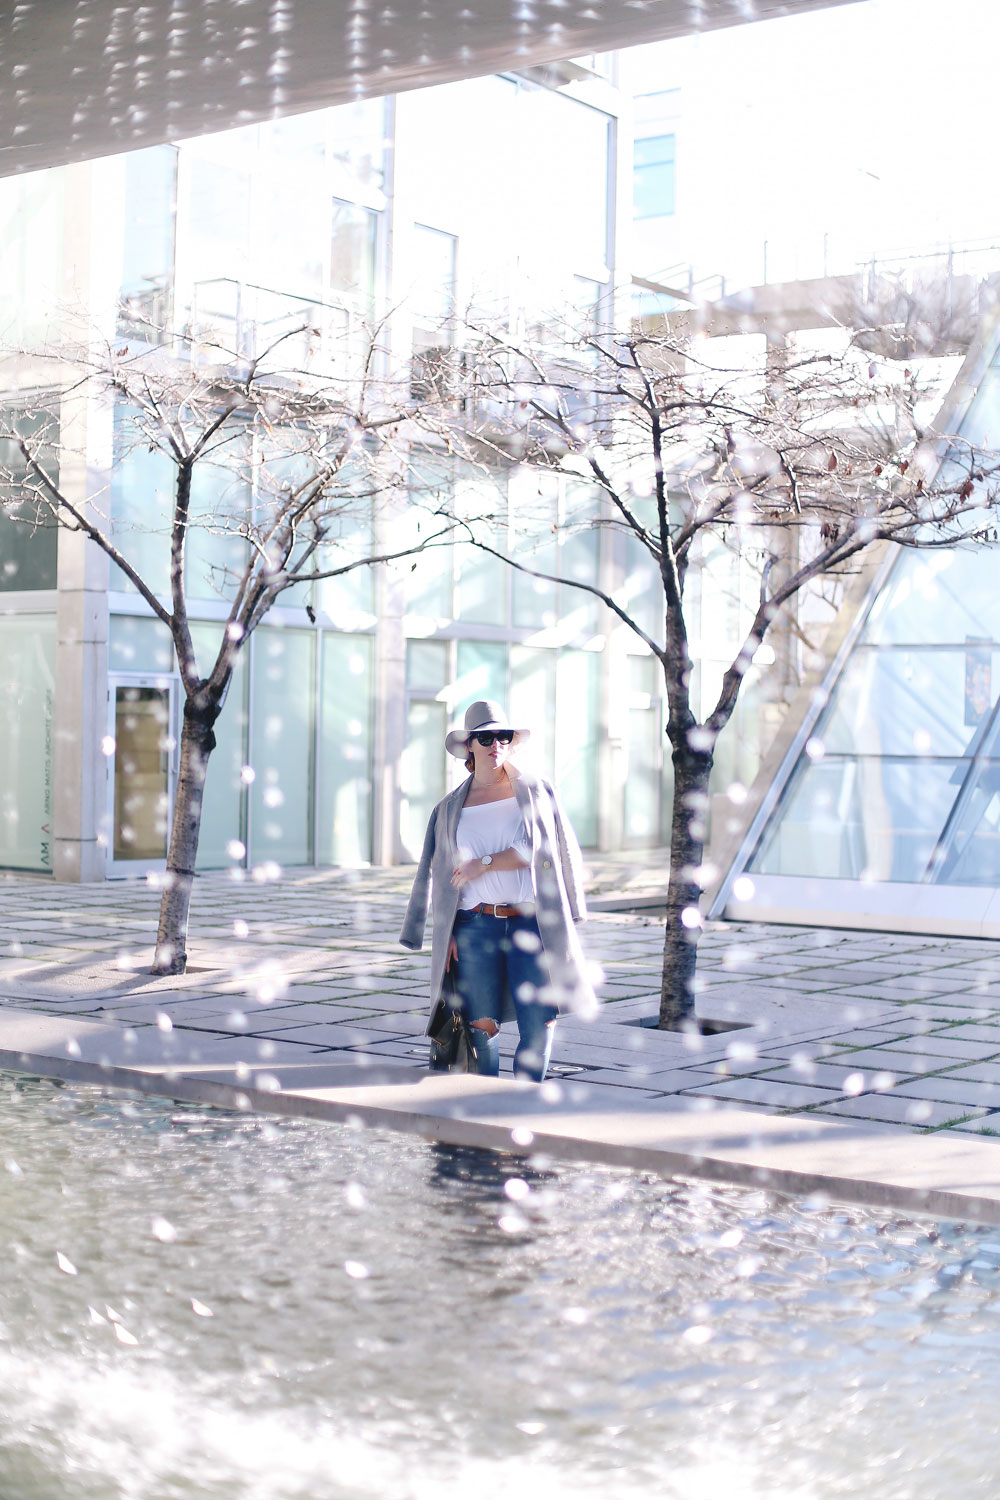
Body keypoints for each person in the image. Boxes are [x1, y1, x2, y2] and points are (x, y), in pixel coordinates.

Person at [399, 699, 596, 1081]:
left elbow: (535, 850)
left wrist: (482, 864)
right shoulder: (449, 808)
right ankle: (485, 1105)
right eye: (487, 737)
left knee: (539, 1022)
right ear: (469, 746)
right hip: (475, 927)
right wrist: (447, 932)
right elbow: (437, 875)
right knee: (481, 1026)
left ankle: (523, 1104)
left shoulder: (534, 790)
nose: (496, 745)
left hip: (532, 924)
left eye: (503, 736)